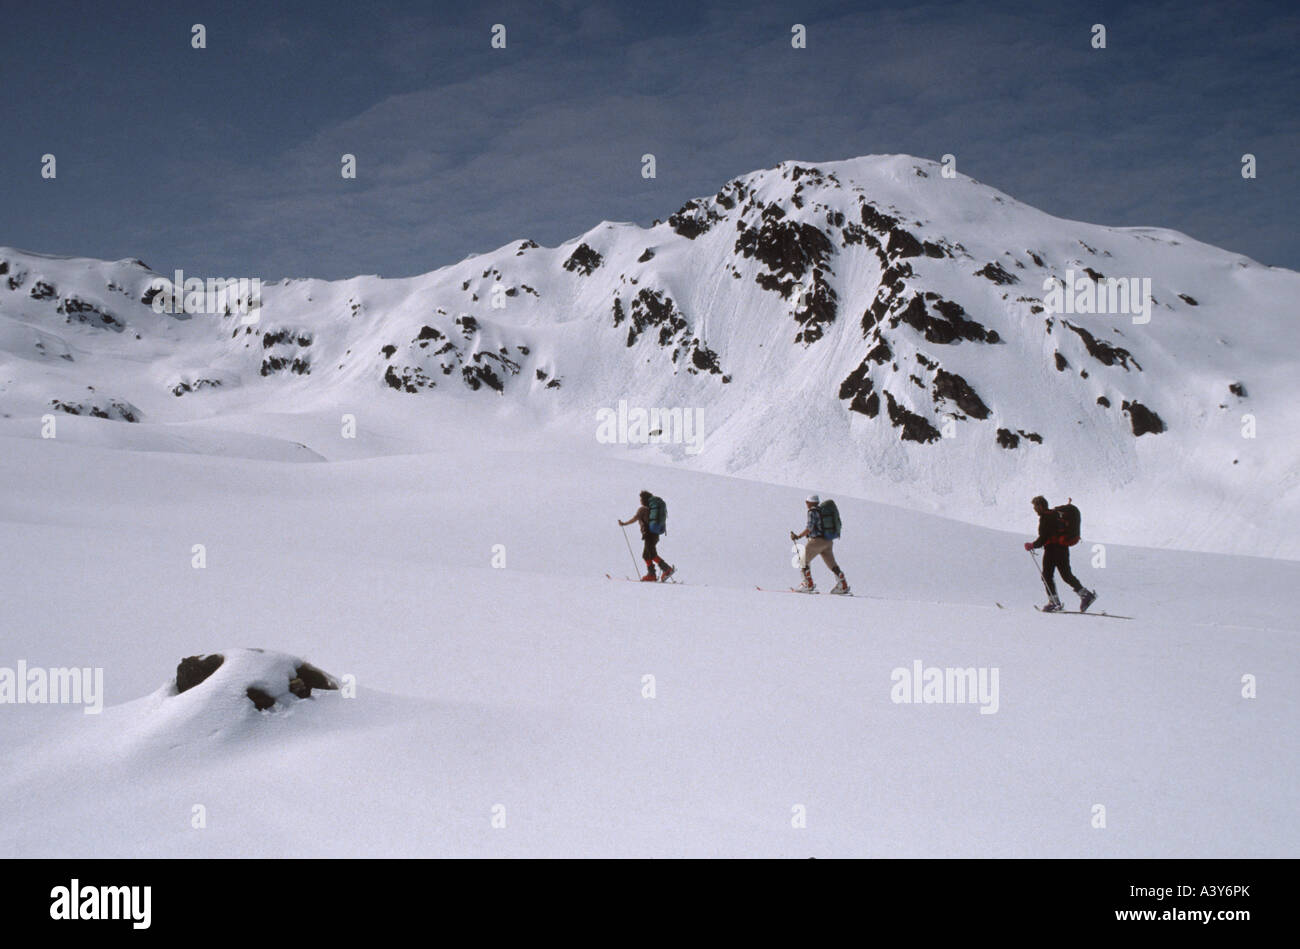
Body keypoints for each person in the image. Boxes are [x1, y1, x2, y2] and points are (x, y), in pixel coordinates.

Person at [1024, 495, 1095, 612]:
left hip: (1052, 549)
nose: (1034, 509)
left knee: (1047, 575)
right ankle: (1085, 595)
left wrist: (1032, 545)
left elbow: (1043, 537)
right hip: (1062, 548)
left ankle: (1054, 602)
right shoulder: (1054, 515)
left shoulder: (1046, 517)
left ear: (1041, 506)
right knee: (1066, 575)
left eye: (1035, 506)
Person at [790, 494, 850, 594]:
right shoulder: (821, 511)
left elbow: (809, 528)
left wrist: (798, 536)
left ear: (810, 502)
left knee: (803, 560)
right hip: (828, 541)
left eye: (807, 501)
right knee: (832, 565)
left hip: (816, 541)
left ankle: (807, 584)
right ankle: (842, 585)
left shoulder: (812, 512)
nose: (806, 503)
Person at [619, 490, 674, 582]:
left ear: (644, 499)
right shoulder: (651, 510)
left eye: (641, 499)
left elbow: (635, 518)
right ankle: (652, 574)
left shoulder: (642, 509)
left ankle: (666, 569)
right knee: (646, 555)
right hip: (655, 535)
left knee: (651, 554)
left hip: (649, 535)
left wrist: (624, 524)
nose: (640, 501)